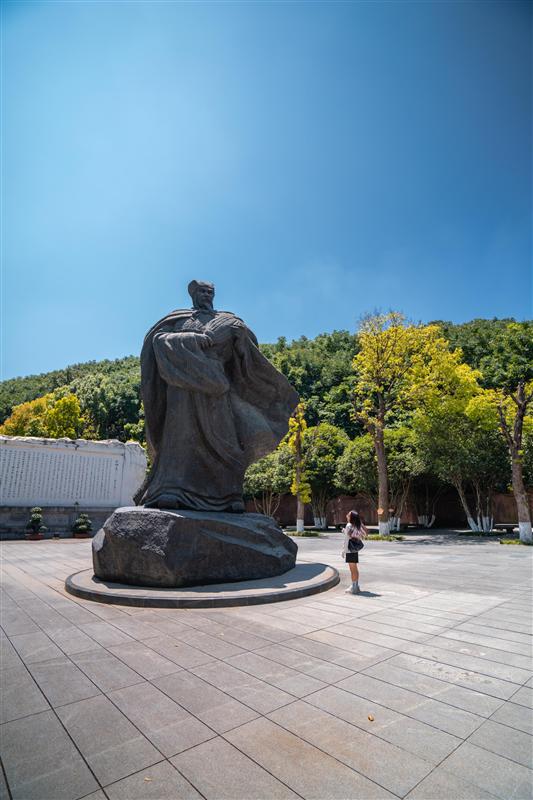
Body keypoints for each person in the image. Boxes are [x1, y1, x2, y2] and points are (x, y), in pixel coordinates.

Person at [135, 280, 298, 511]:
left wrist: (241, 337)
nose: (206, 295)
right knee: (179, 438)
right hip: (181, 388)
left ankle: (229, 494)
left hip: (216, 387)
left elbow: (247, 353)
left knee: (224, 439)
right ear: (192, 294)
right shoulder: (178, 319)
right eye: (202, 291)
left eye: (210, 291)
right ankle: (171, 489)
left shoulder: (228, 319)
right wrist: (194, 340)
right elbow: (157, 342)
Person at [342, 510, 368, 594]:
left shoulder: (349, 525)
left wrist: (344, 551)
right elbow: (354, 535)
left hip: (350, 549)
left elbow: (347, 539)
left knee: (352, 569)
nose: (346, 515)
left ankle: (354, 587)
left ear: (351, 517)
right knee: (354, 568)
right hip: (354, 549)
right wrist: (345, 531)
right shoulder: (356, 525)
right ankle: (355, 586)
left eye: (348, 514)